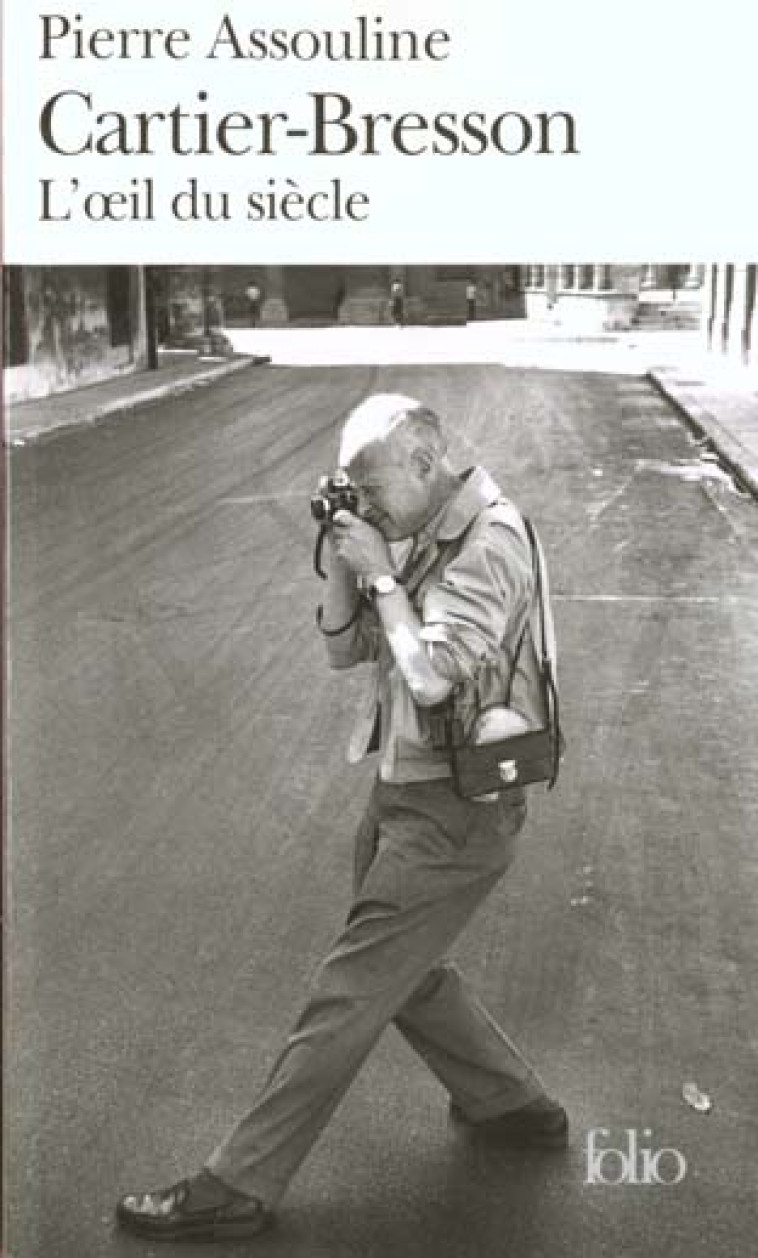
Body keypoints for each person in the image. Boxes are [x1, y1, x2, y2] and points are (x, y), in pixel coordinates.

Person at [116, 393, 567, 1243]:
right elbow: (342, 649)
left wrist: (386, 574)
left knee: (349, 991)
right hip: (406, 789)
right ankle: (514, 1105)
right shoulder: (424, 530)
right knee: (408, 972)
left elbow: (432, 675)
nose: (367, 502)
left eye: (374, 485)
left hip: (459, 808)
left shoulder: (491, 539)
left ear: (426, 461)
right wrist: (344, 559)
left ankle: (236, 1185)